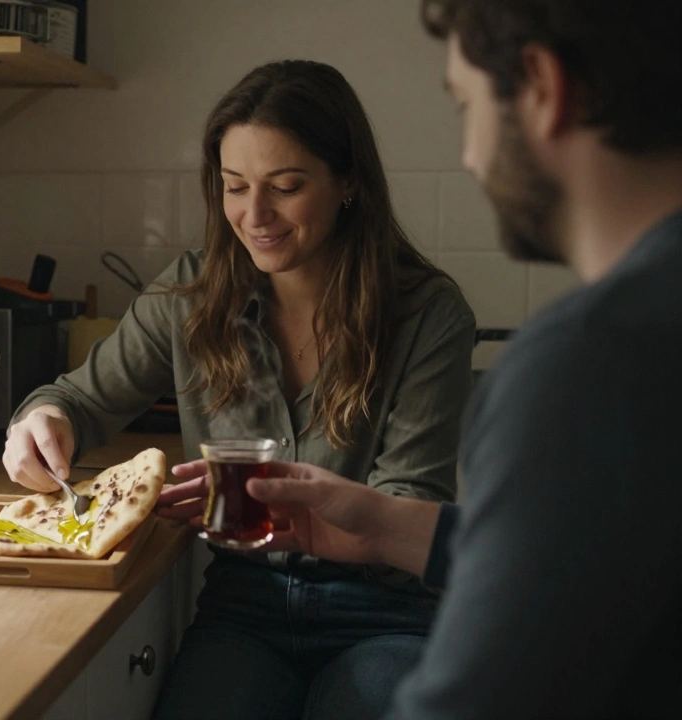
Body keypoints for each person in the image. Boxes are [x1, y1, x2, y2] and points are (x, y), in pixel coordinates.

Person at [236, 1, 682, 718]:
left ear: (541, 87)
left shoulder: (589, 358)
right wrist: (384, 525)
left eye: (464, 105)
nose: (470, 156)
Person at [2, 60, 477, 720]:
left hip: (385, 617)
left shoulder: (426, 314)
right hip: (242, 609)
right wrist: (44, 419)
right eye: (234, 187)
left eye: (285, 186)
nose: (255, 215)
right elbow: (79, 400)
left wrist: (333, 514)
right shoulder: (190, 297)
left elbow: (414, 505)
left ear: (347, 183)